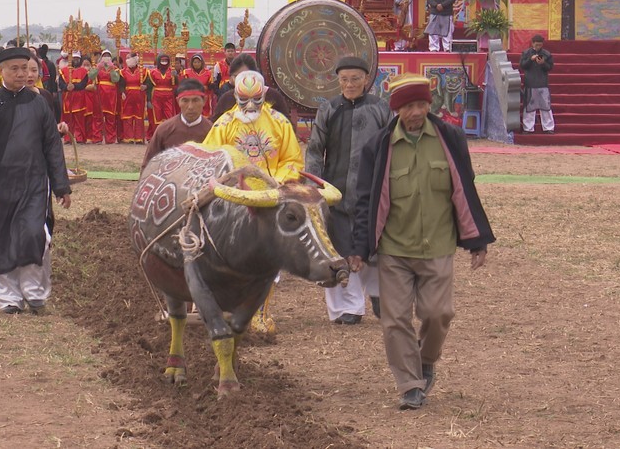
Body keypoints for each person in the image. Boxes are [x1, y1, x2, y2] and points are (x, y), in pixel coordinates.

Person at [349, 72, 495, 410]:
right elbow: (365, 201)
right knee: (395, 319)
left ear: (431, 105)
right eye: (409, 106)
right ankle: (409, 385)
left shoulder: (450, 138)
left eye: (422, 104)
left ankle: (427, 360)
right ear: (397, 110)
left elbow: (465, 190)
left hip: (438, 246)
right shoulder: (379, 146)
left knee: (438, 313)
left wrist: (477, 241)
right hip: (394, 250)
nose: (417, 112)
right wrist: (358, 248)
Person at [0, 47, 72, 315]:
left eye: (26, 68)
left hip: (34, 183)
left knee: (33, 235)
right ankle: (8, 298)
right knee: (0, 240)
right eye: (15, 69)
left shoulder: (39, 104)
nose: (22, 74)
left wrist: (61, 185)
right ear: (2, 71)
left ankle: (34, 294)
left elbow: (52, 146)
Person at [203, 70, 305, 334]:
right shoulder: (223, 124)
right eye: (244, 99)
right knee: (228, 257)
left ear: (264, 96)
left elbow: (292, 160)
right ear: (235, 96)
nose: (250, 106)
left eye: (256, 100)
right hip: (232, 201)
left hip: (269, 200)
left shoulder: (279, 123)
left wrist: (275, 183)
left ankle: (260, 313)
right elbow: (210, 159)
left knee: (266, 258)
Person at [305, 56, 391, 325]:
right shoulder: (329, 109)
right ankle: (348, 308)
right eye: (344, 79)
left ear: (367, 80)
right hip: (336, 189)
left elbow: (392, 148)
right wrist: (313, 187)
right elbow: (316, 150)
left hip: (373, 189)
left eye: (355, 79)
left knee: (375, 243)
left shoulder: (381, 109)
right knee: (339, 247)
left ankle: (380, 296)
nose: (350, 84)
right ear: (338, 80)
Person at [141, 78, 212, 170]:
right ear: (178, 101)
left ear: (204, 101)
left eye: (195, 100)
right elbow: (148, 165)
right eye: (185, 101)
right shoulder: (164, 129)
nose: (190, 107)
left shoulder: (212, 131)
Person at [211, 54, 291, 124]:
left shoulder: (272, 96)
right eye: (237, 76)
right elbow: (215, 125)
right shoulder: (227, 98)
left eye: (246, 75)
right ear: (231, 78)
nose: (242, 80)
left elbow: (287, 125)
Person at [520, 34, 555, 134]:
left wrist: (543, 63)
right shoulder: (526, 53)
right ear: (532, 44)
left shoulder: (546, 54)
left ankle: (548, 127)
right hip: (530, 82)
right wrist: (530, 60)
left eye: (540, 45)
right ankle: (528, 128)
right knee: (529, 107)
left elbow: (550, 67)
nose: (538, 47)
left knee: (545, 106)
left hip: (542, 82)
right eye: (536, 45)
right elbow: (522, 65)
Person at [58, 51, 89, 144]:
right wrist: (66, 87)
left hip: (79, 98)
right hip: (68, 97)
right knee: (68, 119)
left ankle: (80, 138)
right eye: (74, 58)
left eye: (77, 58)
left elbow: (84, 84)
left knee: (79, 120)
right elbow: (61, 83)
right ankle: (68, 137)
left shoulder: (84, 71)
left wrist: (75, 86)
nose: (75, 60)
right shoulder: (63, 71)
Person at [145, 53, 177, 141]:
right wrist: (148, 100)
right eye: (162, 60)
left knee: (169, 116)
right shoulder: (153, 72)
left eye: (166, 60)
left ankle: (169, 136)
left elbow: (176, 84)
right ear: (159, 61)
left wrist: (176, 76)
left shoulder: (172, 71)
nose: (164, 62)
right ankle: (157, 137)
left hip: (169, 97)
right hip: (156, 97)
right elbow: (149, 86)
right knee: (156, 117)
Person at [118, 52, 148, 144]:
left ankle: (139, 138)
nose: (127, 60)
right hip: (127, 95)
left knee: (139, 116)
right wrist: (122, 92)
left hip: (139, 94)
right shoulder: (122, 72)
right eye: (126, 58)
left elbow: (148, 82)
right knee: (127, 116)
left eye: (129, 58)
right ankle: (128, 137)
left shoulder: (143, 71)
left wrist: (145, 86)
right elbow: (121, 84)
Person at [95, 50, 120, 144]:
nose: (106, 57)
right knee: (98, 116)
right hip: (100, 93)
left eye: (108, 55)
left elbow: (116, 79)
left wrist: (112, 68)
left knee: (110, 117)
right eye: (104, 55)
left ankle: (111, 138)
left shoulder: (115, 69)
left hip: (111, 94)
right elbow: (91, 76)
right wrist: (97, 68)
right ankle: (97, 137)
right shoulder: (98, 67)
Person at [181, 54, 213, 118]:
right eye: (195, 62)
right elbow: (184, 85)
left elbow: (210, 86)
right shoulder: (187, 72)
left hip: (204, 96)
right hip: (191, 96)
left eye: (198, 62)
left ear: (202, 63)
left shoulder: (208, 73)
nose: (197, 64)